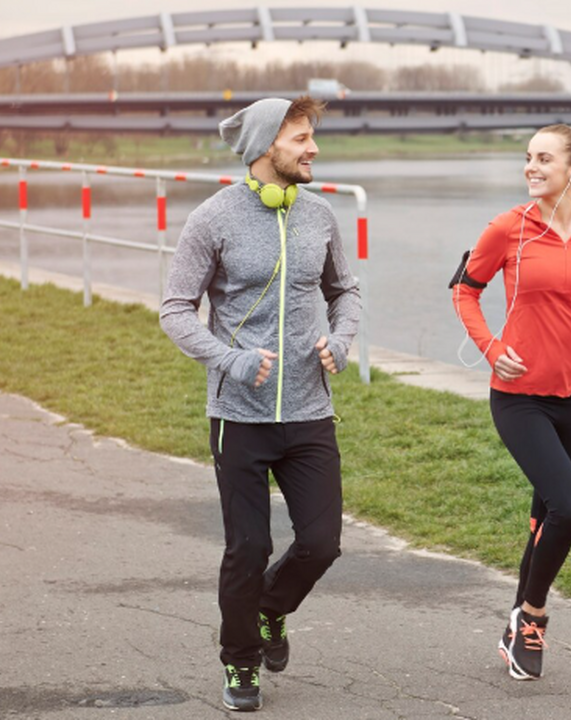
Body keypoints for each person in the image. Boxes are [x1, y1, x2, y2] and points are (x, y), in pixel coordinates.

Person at [160, 96, 361, 711]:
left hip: (308, 413)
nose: (313, 149)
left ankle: (270, 611)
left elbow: (345, 291)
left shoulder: (321, 215)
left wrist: (342, 339)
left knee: (322, 543)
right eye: (301, 138)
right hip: (238, 418)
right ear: (265, 145)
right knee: (248, 548)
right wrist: (230, 359)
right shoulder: (213, 219)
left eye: (311, 137)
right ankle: (240, 663)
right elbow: (174, 310)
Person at [450, 124, 571, 680]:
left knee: (544, 516)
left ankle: (514, 631)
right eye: (527, 158)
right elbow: (465, 288)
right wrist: (490, 347)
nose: (531, 167)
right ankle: (532, 616)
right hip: (518, 398)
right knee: (570, 507)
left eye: (544, 159)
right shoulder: (509, 228)